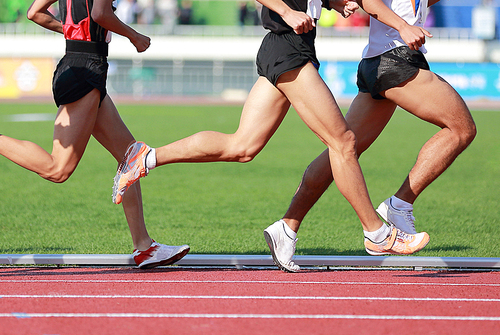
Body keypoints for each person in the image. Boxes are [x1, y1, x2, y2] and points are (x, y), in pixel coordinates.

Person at [113, 0, 431, 271]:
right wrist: (288, 12)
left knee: (242, 146)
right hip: (287, 46)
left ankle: (147, 156)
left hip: (287, 47)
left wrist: (336, 3)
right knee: (343, 142)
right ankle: (377, 234)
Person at [265, 0, 477, 271]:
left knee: (341, 152)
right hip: (395, 59)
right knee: (461, 128)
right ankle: (400, 205)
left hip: (379, 62)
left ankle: (287, 226)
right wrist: (403, 26)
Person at [0, 0, 189, 269]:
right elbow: (100, 14)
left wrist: (68, 30)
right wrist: (134, 36)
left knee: (130, 157)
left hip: (79, 63)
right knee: (58, 169)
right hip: (86, 68)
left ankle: (145, 247)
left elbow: (34, 13)